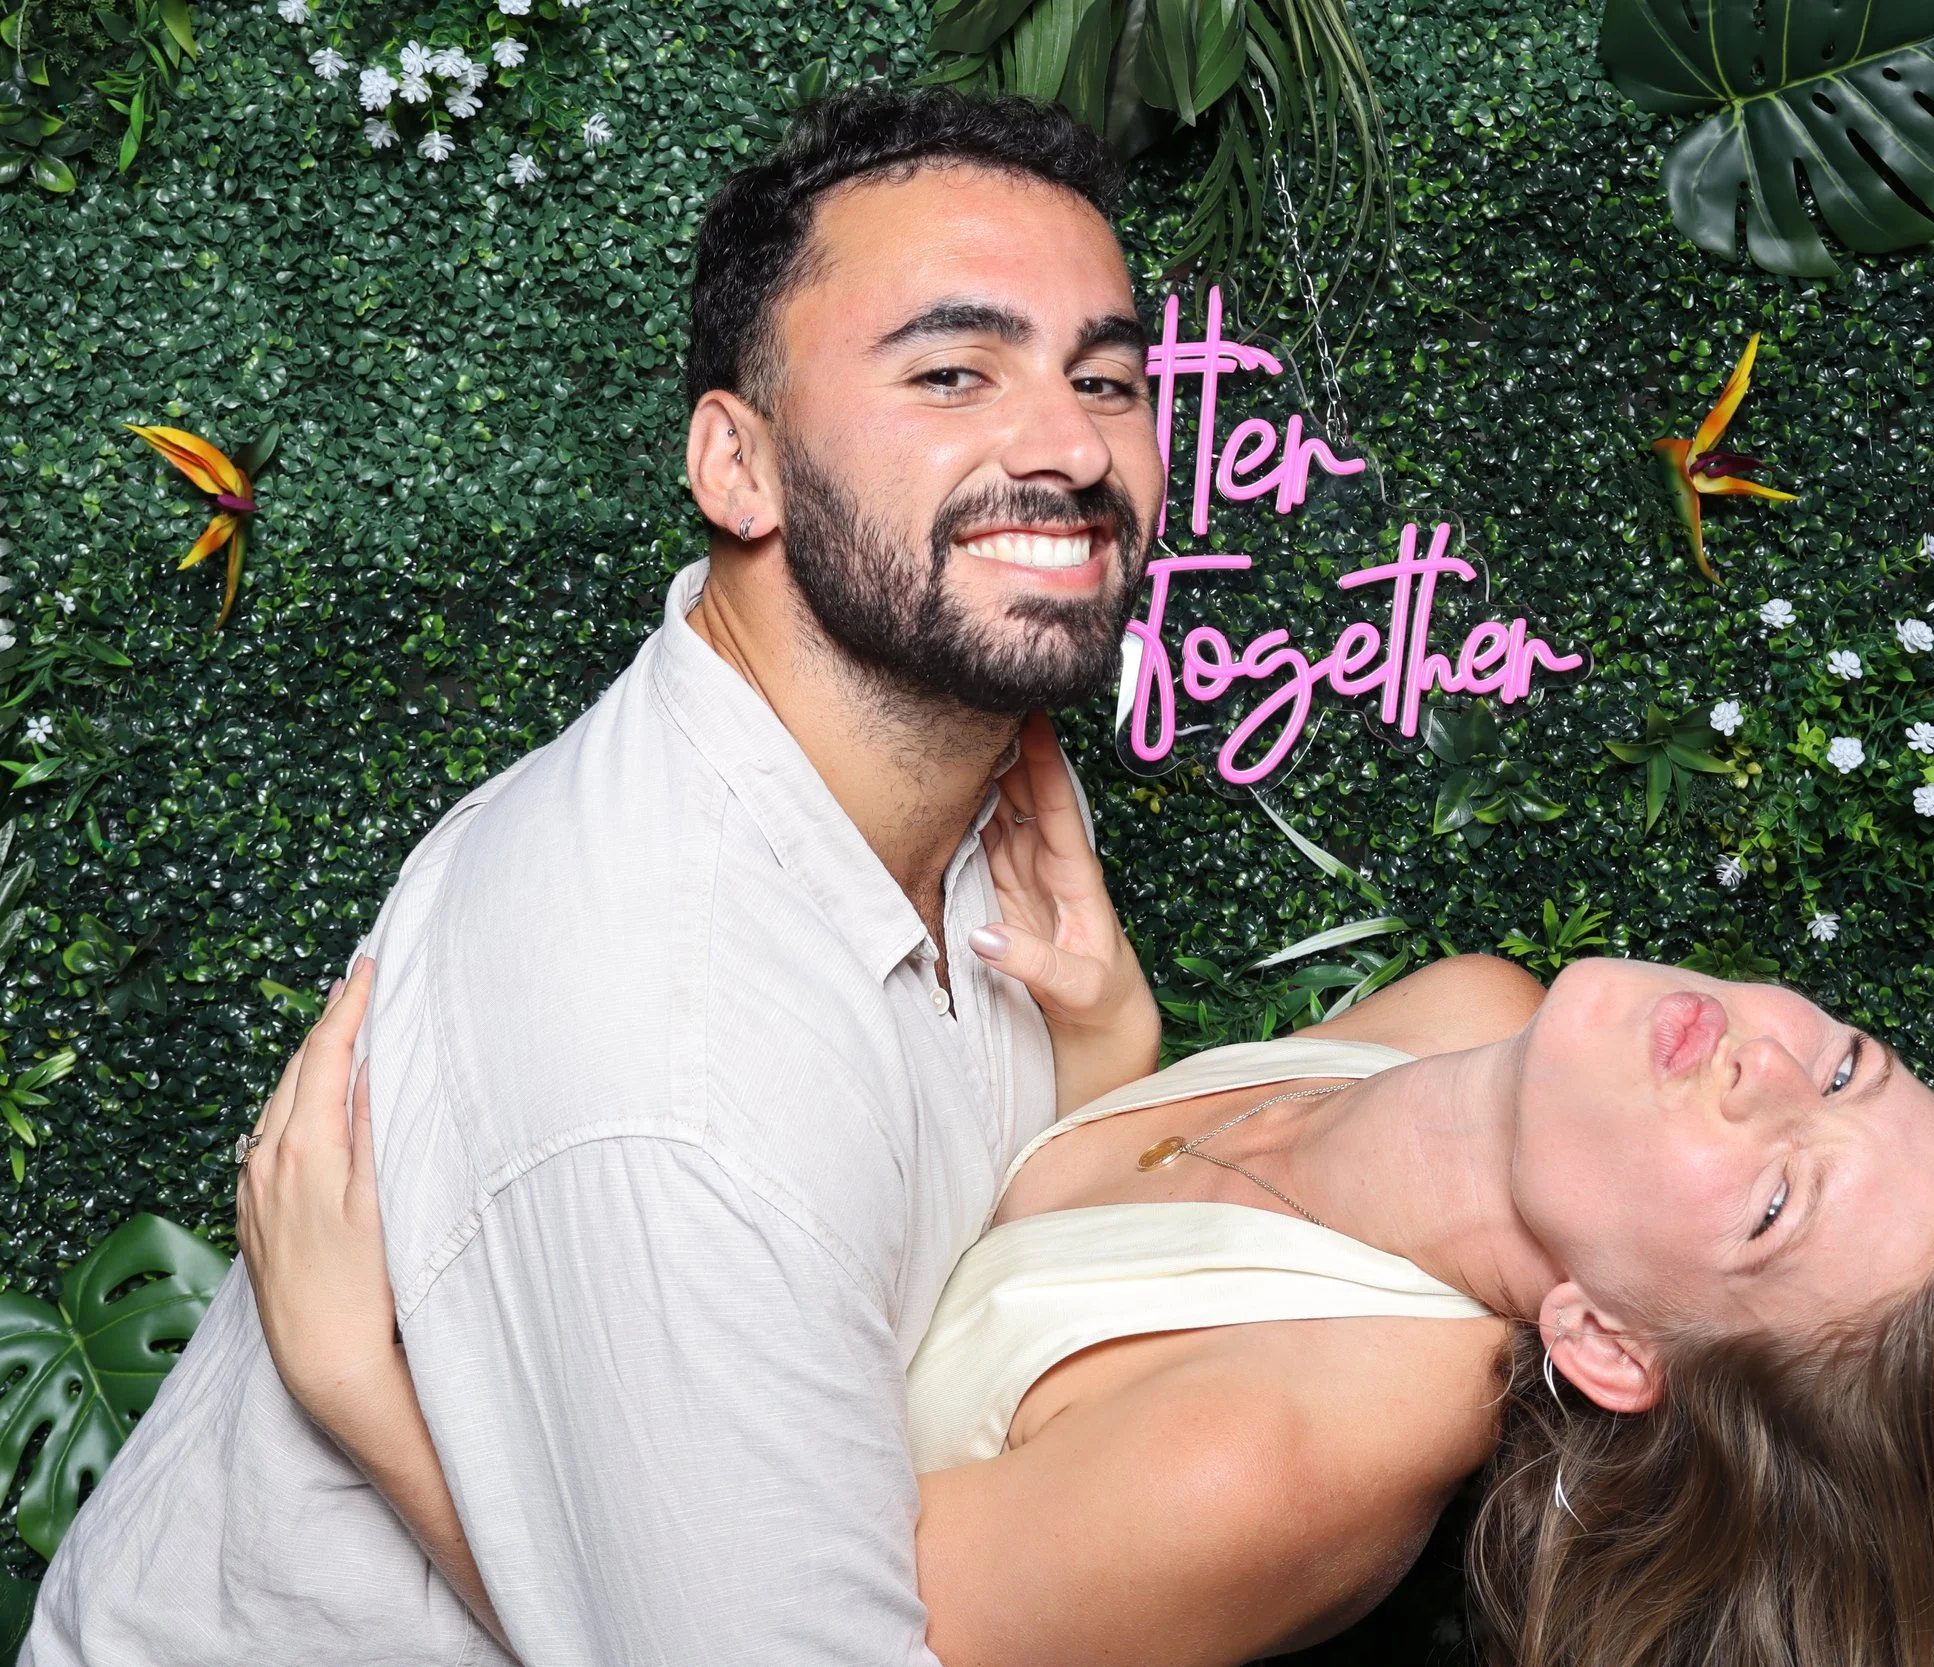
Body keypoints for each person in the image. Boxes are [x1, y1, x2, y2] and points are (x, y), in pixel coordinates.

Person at [28, 88, 1171, 1666]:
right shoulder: (673, 1054)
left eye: (1106, 378)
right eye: (953, 372)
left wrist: (1108, 1054)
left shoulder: (975, 784)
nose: (1069, 444)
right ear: (738, 465)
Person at [241, 817, 1934, 1667]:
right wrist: (1104, 1044)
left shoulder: (1289, 1460)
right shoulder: (1459, 1015)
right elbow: (1071, 1277)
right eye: (1847, 1059)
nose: (1760, 1062)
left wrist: (362, 1386)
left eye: (1771, 1195)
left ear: (1604, 1342)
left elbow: (723, 1640)